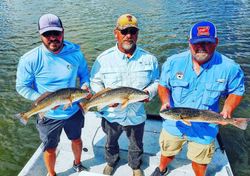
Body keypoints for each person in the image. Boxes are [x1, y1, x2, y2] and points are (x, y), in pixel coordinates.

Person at [152, 21, 245, 176]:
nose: (201, 46)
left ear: (216, 42)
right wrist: (166, 101)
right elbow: (163, 86)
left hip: (206, 127)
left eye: (207, 42)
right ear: (189, 43)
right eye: (197, 42)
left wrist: (228, 109)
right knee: (167, 151)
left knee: (200, 161)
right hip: (174, 124)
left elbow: (236, 91)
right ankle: (161, 169)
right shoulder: (173, 62)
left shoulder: (230, 68)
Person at [16, 14, 91, 176]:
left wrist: (85, 85)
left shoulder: (75, 53)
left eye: (56, 33)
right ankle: (51, 173)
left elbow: (85, 75)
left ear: (63, 32)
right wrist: (41, 98)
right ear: (40, 35)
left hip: (73, 111)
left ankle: (77, 163)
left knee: (76, 139)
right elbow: (22, 87)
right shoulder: (29, 59)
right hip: (48, 114)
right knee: (50, 148)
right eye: (47, 34)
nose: (52, 38)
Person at [90, 14, 159, 176]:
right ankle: (111, 162)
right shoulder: (103, 59)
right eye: (124, 31)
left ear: (137, 34)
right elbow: (94, 82)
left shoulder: (150, 59)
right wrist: (105, 100)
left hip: (136, 114)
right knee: (110, 141)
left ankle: (135, 165)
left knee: (136, 143)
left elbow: (156, 81)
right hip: (111, 113)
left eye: (132, 31)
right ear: (116, 33)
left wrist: (149, 92)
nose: (128, 35)